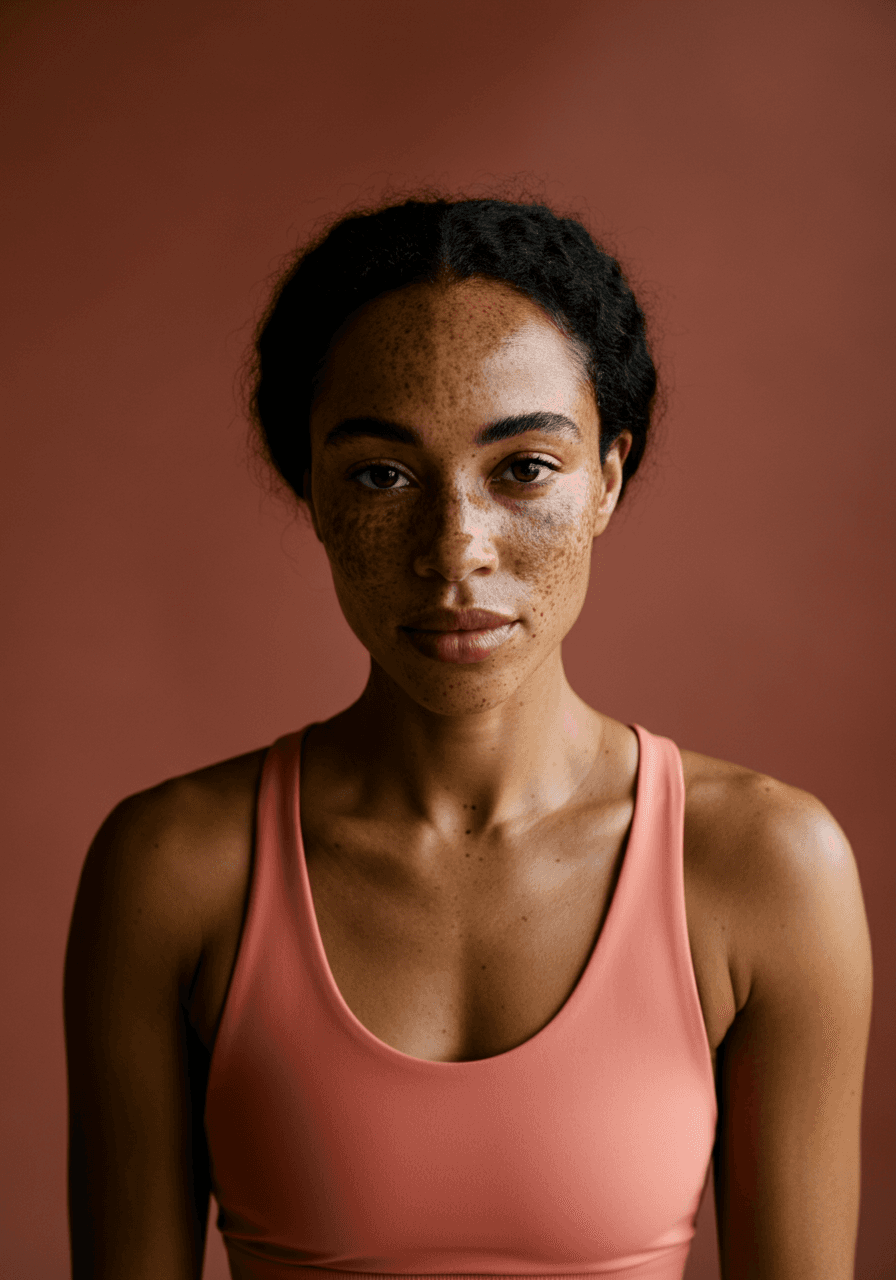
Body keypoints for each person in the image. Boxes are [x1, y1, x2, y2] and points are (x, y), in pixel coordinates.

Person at [64, 195, 873, 1280]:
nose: (454, 551)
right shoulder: (172, 871)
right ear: (310, 487)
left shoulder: (763, 869)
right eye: (379, 474)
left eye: (524, 467)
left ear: (608, 478)